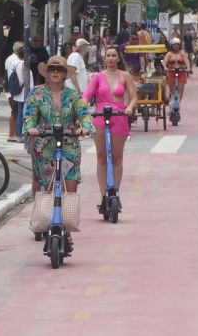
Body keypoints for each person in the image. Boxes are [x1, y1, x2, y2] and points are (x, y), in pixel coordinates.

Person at [24, 56, 93, 248]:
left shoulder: (73, 96)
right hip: (44, 145)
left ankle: (68, 231)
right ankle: (43, 219)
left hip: (68, 144)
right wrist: (31, 128)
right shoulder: (37, 94)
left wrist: (84, 127)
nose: (55, 72)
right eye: (52, 69)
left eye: (59, 70)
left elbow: (84, 115)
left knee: (70, 187)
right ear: (47, 72)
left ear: (64, 74)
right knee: (45, 185)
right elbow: (29, 116)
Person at [84, 46, 137, 195]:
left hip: (119, 115)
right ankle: (103, 195)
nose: (111, 58)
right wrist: (83, 109)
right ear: (104, 58)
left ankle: (115, 192)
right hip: (100, 115)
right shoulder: (97, 77)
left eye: (114, 55)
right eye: (108, 55)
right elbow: (86, 96)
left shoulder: (125, 76)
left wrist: (130, 108)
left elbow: (133, 97)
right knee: (101, 157)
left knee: (117, 158)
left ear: (118, 58)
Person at [10, 44, 33, 141]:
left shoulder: (16, 63)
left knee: (20, 113)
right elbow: (25, 78)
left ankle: (19, 134)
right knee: (24, 114)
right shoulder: (24, 64)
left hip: (20, 92)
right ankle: (21, 135)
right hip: (25, 92)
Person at [4, 42, 23, 142]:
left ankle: (13, 133)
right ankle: (12, 134)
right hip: (13, 89)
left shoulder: (10, 59)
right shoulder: (15, 60)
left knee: (14, 110)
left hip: (10, 88)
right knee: (14, 110)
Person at [163, 38, 190, 102]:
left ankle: (177, 105)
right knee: (172, 91)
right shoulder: (169, 53)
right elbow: (164, 62)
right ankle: (172, 104)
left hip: (181, 72)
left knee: (180, 92)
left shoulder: (182, 53)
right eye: (174, 44)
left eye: (178, 44)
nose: (176, 46)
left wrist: (188, 68)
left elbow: (186, 61)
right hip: (171, 72)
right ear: (172, 45)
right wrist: (165, 67)